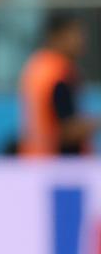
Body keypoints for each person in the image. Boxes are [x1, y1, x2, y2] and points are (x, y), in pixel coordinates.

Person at [19, 13, 99, 156]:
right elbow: (66, 130)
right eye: (74, 34)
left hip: (37, 159)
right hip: (58, 163)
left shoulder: (38, 64)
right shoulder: (57, 74)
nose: (81, 41)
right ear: (56, 37)